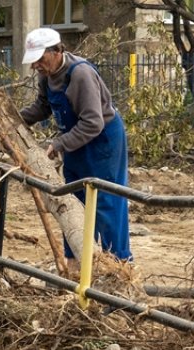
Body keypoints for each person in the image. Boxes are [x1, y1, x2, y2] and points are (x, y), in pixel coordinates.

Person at [19, 27, 132, 262]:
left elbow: (93, 123)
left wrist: (60, 143)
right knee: (72, 199)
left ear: (57, 51)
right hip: (76, 141)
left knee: (106, 202)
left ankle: (119, 264)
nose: (36, 66)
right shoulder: (46, 76)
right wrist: (14, 118)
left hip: (102, 143)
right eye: (34, 61)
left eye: (40, 59)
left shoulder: (80, 74)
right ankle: (77, 262)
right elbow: (42, 107)